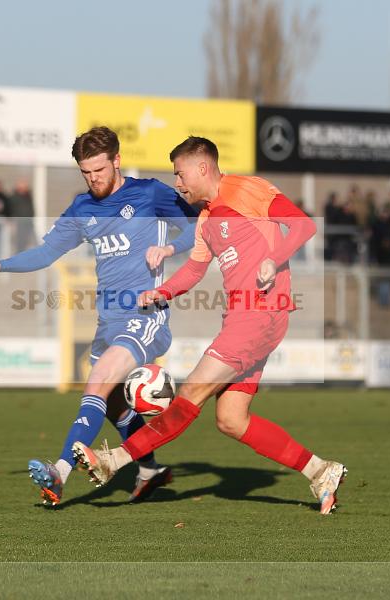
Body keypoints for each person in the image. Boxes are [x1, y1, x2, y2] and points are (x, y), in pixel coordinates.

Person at [72, 136, 347, 515]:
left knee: (190, 396)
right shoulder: (205, 218)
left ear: (202, 168)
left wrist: (274, 259)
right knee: (231, 420)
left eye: (180, 174)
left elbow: (302, 226)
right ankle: (320, 470)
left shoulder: (246, 189)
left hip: (258, 315)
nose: (178, 183)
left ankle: (114, 461)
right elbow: (195, 269)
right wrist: (162, 293)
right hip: (245, 319)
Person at [0, 126, 197, 506]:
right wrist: (2, 264)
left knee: (97, 380)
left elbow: (198, 227)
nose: (93, 179)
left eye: (99, 170)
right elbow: (46, 253)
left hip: (145, 315)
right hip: (108, 322)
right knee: (113, 404)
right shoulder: (82, 208)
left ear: (116, 160)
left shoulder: (148, 194)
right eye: (85, 172)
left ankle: (59, 473)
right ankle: (149, 470)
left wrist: (170, 247)